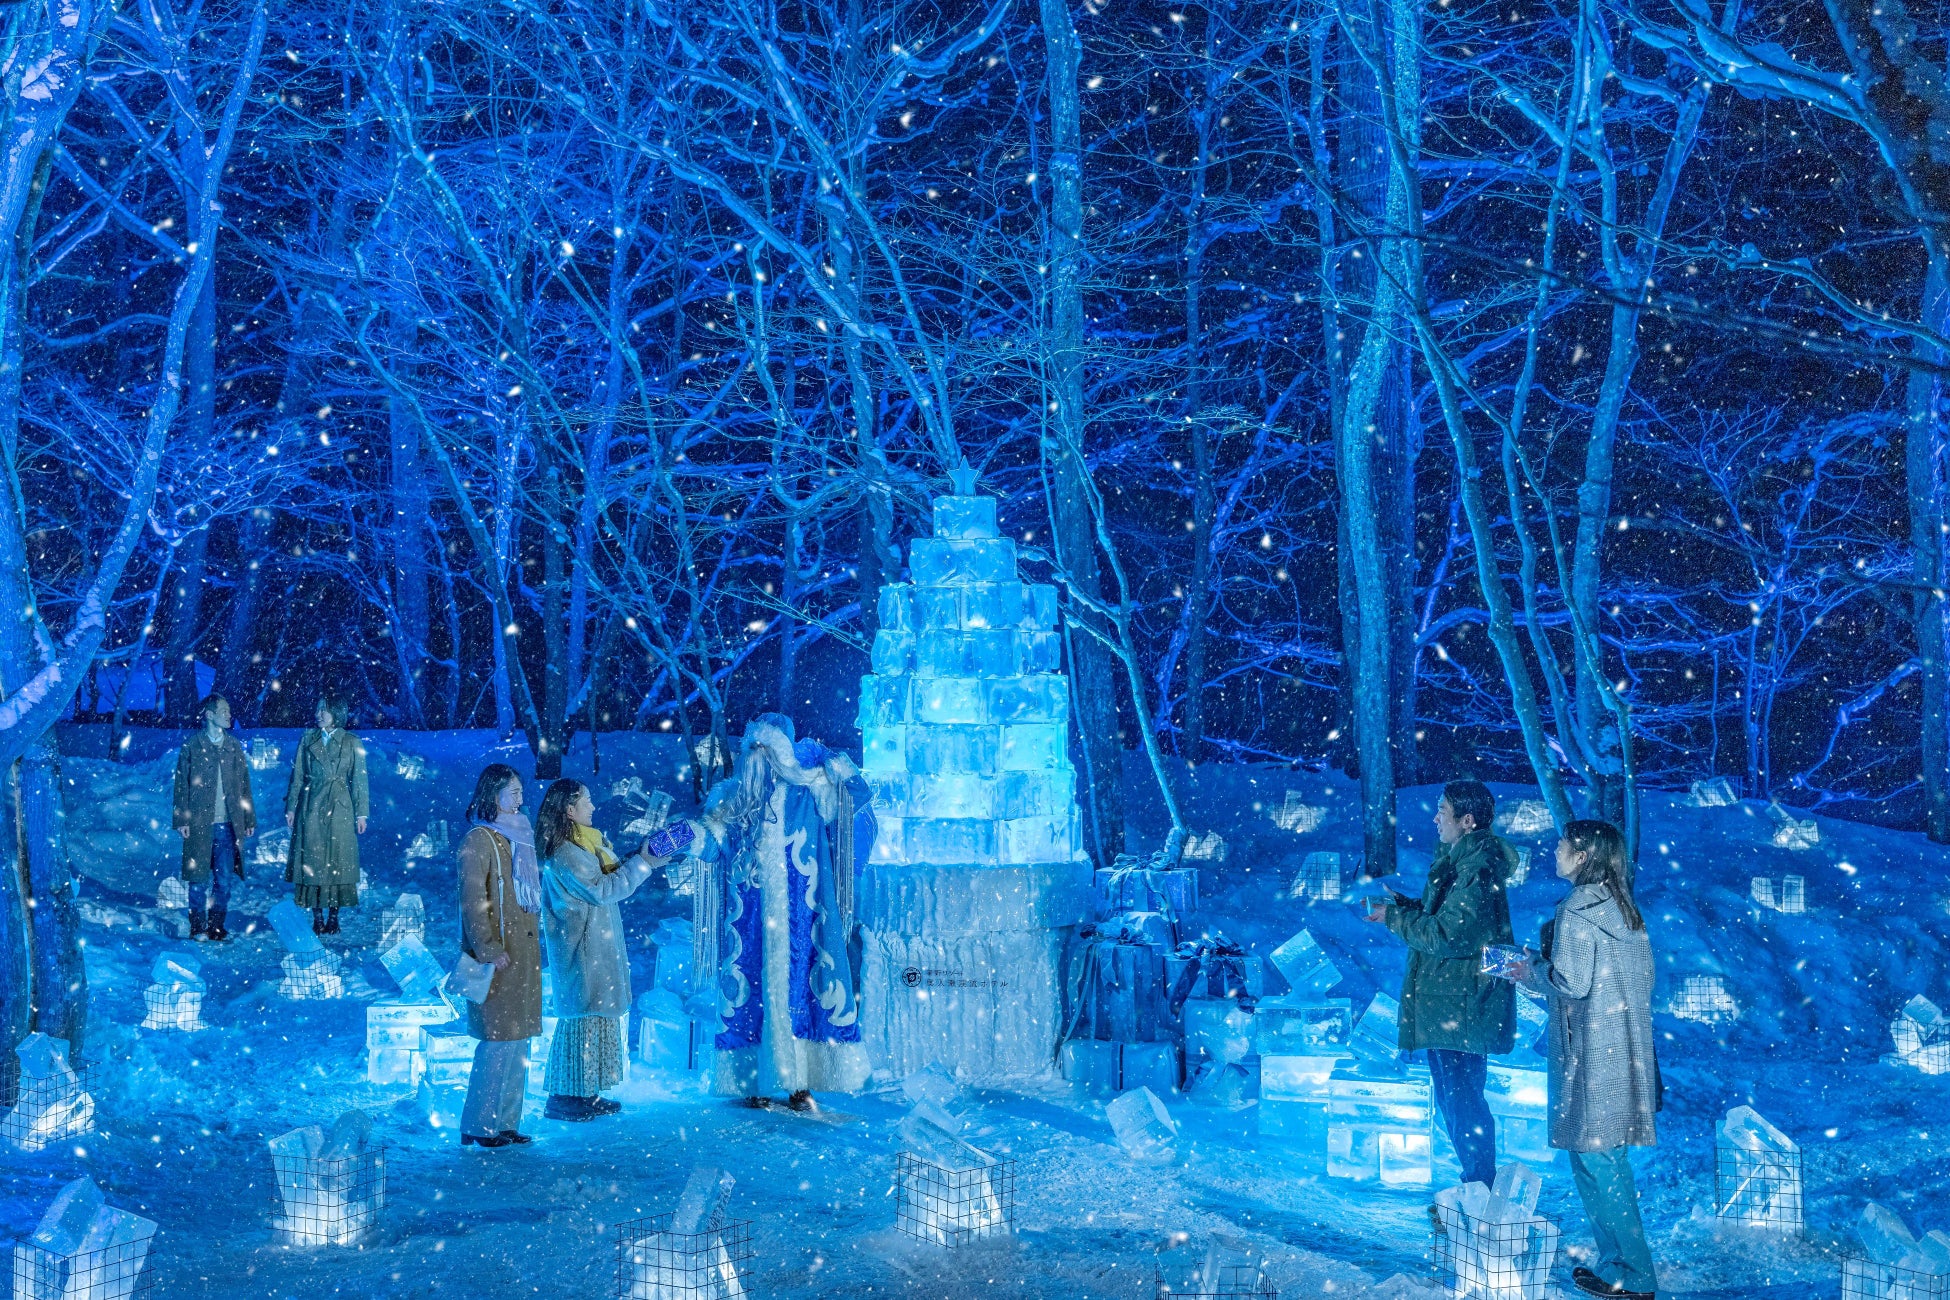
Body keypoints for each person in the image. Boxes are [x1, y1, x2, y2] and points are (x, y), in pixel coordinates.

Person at [1502, 820, 1660, 1300]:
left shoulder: (1577, 909)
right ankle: (1620, 1268)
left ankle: (1634, 1277)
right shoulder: (1623, 908)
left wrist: (1528, 969)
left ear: (1584, 856)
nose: (1555, 851)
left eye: (1563, 846)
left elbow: (1572, 984)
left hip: (1591, 1054)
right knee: (1608, 1161)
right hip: (1624, 1051)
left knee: (1597, 1164)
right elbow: (1640, 979)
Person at [688, 713, 876, 1111]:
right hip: (751, 920)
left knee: (803, 991)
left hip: (802, 916)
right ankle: (753, 1078)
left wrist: (831, 761)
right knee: (751, 992)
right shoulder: (733, 800)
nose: (760, 759)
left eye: (767, 750)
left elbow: (855, 796)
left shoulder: (807, 792)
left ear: (782, 754)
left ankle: (800, 1081)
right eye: (753, 750)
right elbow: (711, 842)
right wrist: (687, 836)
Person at [1364, 777, 1517, 1188]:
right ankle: (1476, 1188)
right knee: (1456, 1101)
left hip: (1461, 1007)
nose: (1434, 819)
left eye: (1442, 811)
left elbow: (1448, 936)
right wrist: (1407, 907)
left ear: (1467, 821)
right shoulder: (1463, 864)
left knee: (1462, 1103)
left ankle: (1480, 1193)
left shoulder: (1476, 871)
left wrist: (1395, 919)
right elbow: (1450, 922)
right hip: (1453, 1004)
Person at [535, 778, 664, 1122]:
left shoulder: (584, 845)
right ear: (568, 810)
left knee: (593, 1022)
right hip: (583, 951)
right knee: (582, 1024)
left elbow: (604, 877)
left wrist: (639, 858)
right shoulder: (566, 853)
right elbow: (604, 889)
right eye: (586, 801)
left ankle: (586, 1092)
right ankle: (564, 1097)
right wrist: (644, 864)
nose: (593, 807)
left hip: (594, 949)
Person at [456, 764, 542, 1149]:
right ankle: (479, 1124)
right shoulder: (479, 840)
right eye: (512, 792)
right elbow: (474, 900)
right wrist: (489, 948)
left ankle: (505, 1122)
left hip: (522, 955)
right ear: (493, 795)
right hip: (500, 957)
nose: (520, 799)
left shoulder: (520, 838)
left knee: (518, 1040)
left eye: (521, 791)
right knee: (497, 1041)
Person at [171, 694, 255, 942]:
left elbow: (244, 785)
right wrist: (181, 819)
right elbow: (181, 786)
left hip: (228, 826)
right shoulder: (192, 747)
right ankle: (197, 926)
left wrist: (248, 819)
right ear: (209, 715)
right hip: (199, 824)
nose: (229, 715)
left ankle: (217, 925)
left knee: (224, 880)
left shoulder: (233, 747)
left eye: (229, 711)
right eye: (224, 711)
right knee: (197, 880)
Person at [284, 693, 370, 935]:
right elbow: (298, 775)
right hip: (311, 805)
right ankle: (317, 916)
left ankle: (334, 915)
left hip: (341, 807)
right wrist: (291, 807)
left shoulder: (352, 742)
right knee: (313, 860)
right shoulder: (308, 739)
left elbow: (360, 780)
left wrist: (361, 813)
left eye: (325, 710)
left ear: (337, 714)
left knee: (338, 860)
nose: (319, 714)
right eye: (318, 709)